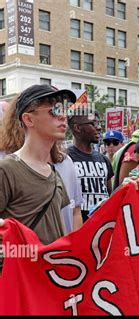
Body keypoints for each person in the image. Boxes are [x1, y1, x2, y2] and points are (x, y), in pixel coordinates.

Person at [0, 84, 75, 244]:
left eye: (65, 110)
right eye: (54, 110)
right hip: (20, 267)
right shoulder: (6, 169)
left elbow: (61, 233)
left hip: (53, 267)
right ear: (28, 119)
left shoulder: (54, 173)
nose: (63, 116)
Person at [67, 111, 113, 222]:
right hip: (77, 228)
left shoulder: (103, 160)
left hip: (101, 227)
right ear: (77, 127)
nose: (99, 128)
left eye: (99, 123)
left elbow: (109, 193)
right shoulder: (64, 159)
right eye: (93, 124)